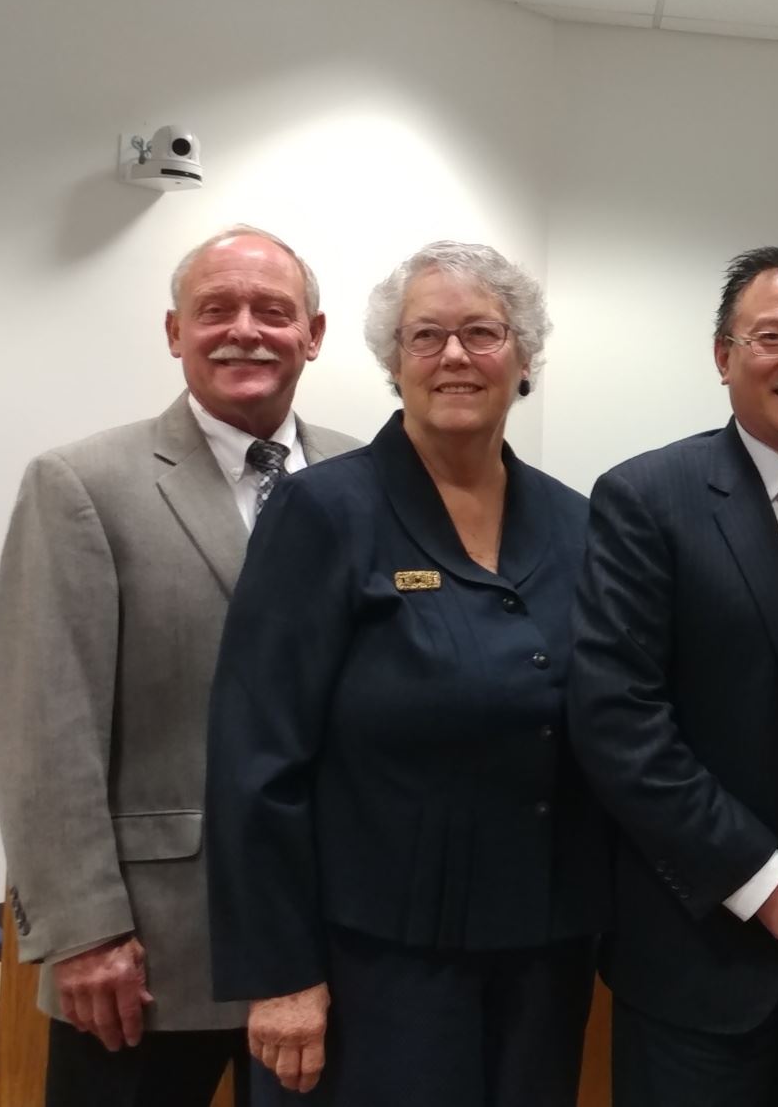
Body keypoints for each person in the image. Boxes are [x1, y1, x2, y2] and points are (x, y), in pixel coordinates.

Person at [206, 241, 608, 1105]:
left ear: (523, 355)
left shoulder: (577, 523)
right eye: (426, 336)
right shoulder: (323, 512)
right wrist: (280, 974)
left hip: (544, 953)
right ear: (394, 363)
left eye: (481, 333)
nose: (455, 356)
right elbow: (256, 759)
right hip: (375, 965)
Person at [0, 226, 357, 1107]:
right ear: (173, 331)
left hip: (332, 944)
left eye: (273, 311)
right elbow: (42, 729)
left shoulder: (369, 474)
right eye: (215, 309)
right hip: (142, 960)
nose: (245, 330)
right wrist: (82, 933)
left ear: (314, 334)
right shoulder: (82, 484)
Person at [568, 245, 778, 1107]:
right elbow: (619, 723)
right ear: (723, 356)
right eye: (772, 338)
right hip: (707, 942)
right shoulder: (648, 500)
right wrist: (761, 880)